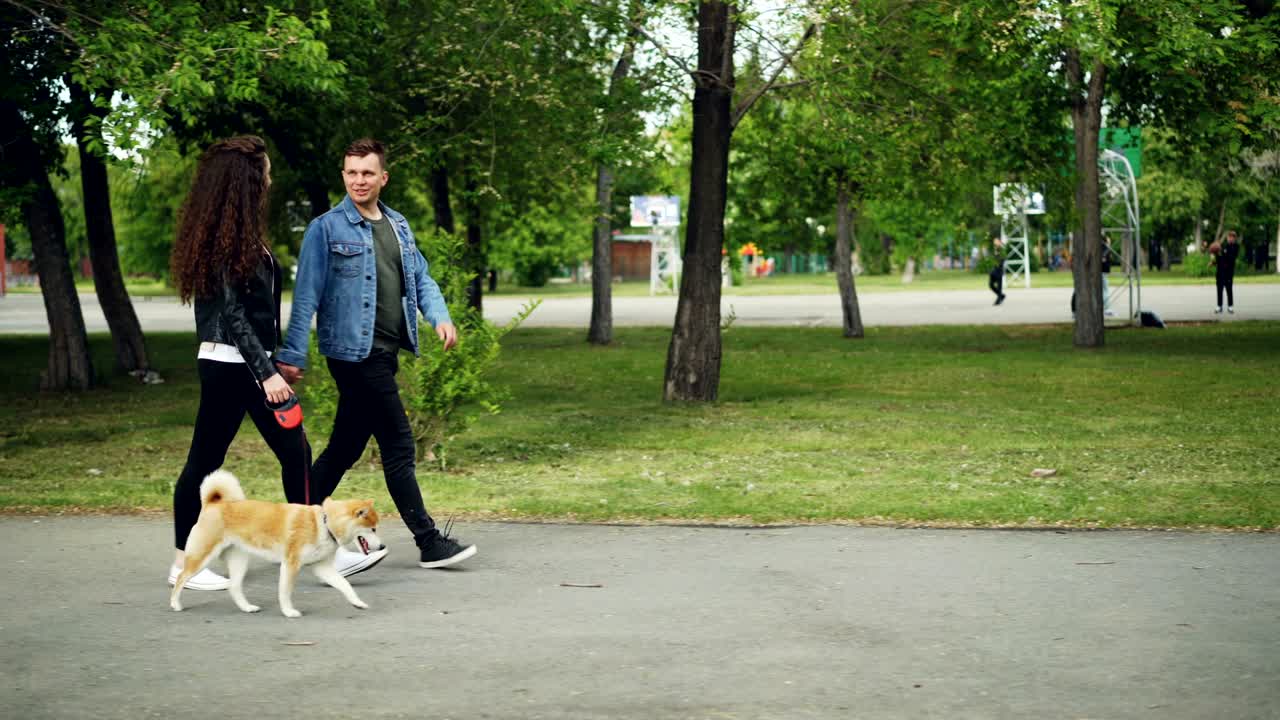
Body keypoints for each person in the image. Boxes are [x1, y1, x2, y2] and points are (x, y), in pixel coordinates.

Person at [275, 138, 475, 572]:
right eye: (351, 172)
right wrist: (292, 354)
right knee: (399, 444)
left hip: (385, 353)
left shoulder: (399, 226)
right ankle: (429, 542)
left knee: (344, 449)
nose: (359, 180)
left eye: (367, 173)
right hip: (351, 354)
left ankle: (291, 527)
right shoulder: (326, 228)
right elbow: (305, 295)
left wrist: (439, 316)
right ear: (343, 176)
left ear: (383, 177)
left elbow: (421, 278)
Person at [167, 136, 310, 591]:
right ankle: (183, 563)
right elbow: (231, 315)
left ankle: (310, 545)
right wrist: (265, 373)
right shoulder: (229, 239)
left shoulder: (235, 233)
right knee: (205, 464)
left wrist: (273, 360)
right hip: (232, 367)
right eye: (264, 171)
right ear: (247, 181)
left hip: (240, 362)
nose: (270, 177)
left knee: (294, 452)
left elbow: (251, 312)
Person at [1214, 230, 1241, 314]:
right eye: (1229, 237)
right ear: (1227, 237)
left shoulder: (1235, 246)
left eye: (1232, 237)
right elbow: (1218, 257)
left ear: (1234, 238)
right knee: (1219, 289)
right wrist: (1214, 260)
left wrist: (1221, 252)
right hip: (1220, 272)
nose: (1230, 238)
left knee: (1229, 289)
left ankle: (1230, 306)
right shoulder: (1223, 245)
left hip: (1228, 272)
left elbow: (1231, 257)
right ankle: (1219, 306)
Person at [988, 238, 1006, 305]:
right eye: (994, 241)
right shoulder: (994, 249)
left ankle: (998, 300)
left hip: (999, 270)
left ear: (999, 242)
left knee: (999, 286)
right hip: (993, 270)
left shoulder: (1002, 250)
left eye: (997, 241)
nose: (995, 242)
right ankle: (1001, 295)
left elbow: (1002, 260)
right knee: (991, 285)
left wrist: (998, 254)